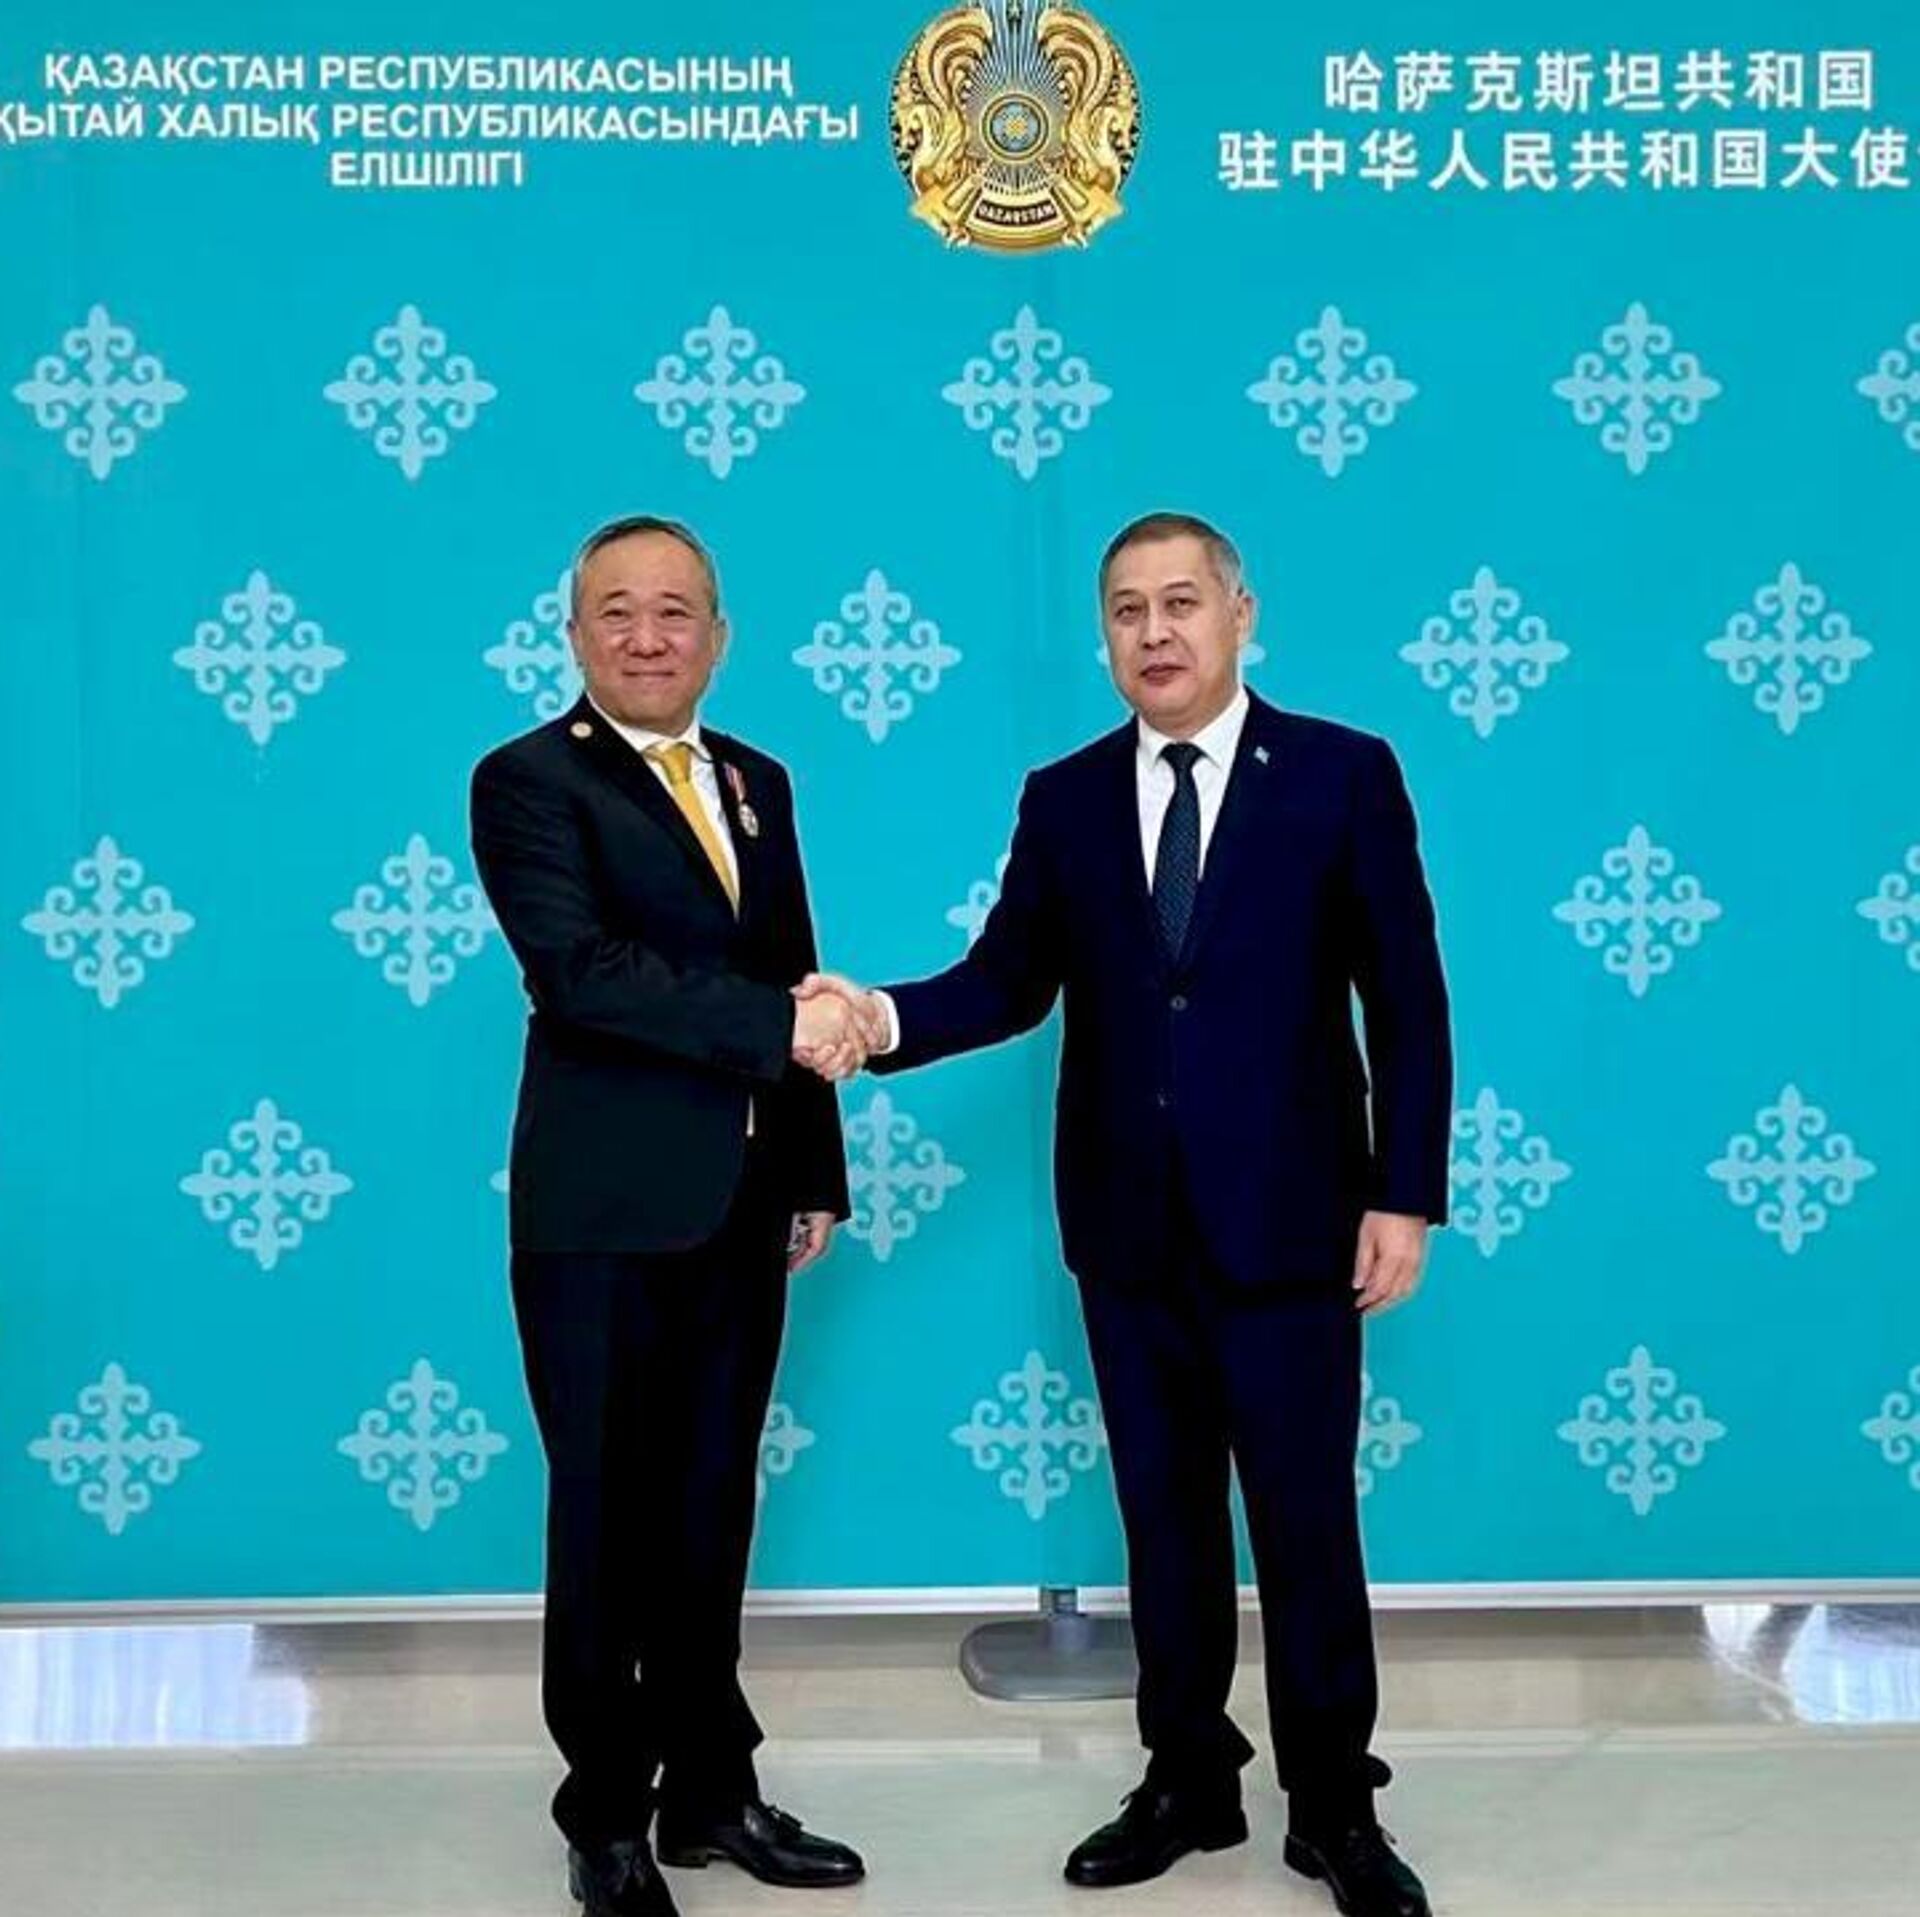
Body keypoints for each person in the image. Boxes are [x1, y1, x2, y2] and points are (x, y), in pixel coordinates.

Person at [801, 512, 1452, 1917]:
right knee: (1163, 1524)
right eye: (1126, 610)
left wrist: (1403, 1193)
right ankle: (1188, 1778)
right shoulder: (1068, 797)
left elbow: (1406, 999)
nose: (1155, 632)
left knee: (1305, 1529)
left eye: (1181, 603)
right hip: (1127, 1230)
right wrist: (877, 1017)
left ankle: (1334, 1806)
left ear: (1239, 615)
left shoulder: (1342, 774)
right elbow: (1005, 980)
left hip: (1292, 1225)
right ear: (1103, 637)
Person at [470, 515, 871, 1917]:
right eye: (618, 612)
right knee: (606, 1518)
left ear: (720, 634)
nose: (649, 637)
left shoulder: (758, 780)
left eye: (677, 611)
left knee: (711, 1505)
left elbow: (789, 964)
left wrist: (812, 1169)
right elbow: (581, 973)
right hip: (600, 1214)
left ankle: (711, 1788)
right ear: (575, 633)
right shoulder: (527, 781)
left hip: (740, 1204)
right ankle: (606, 1817)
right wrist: (782, 1026)